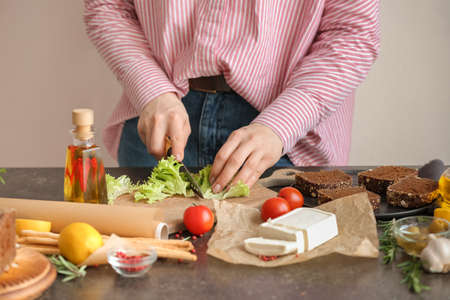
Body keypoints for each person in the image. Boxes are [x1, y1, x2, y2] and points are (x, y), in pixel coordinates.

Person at [84, 0, 380, 193]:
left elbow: (353, 33)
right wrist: (150, 89)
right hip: (159, 116)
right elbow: (108, 6)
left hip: (285, 135)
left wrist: (281, 125)